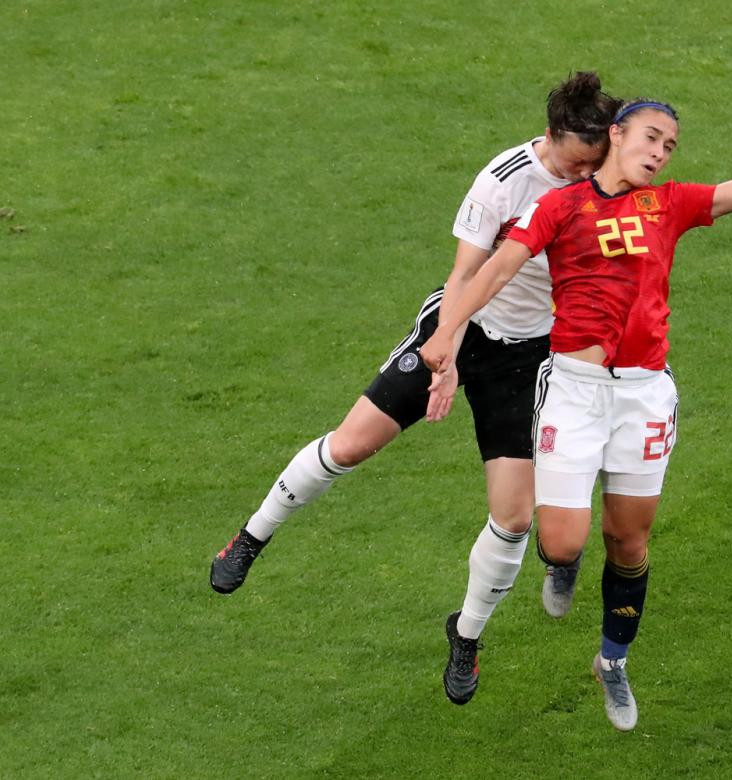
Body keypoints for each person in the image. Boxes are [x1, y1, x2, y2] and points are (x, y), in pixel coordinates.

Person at [420, 98, 732, 730]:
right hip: (575, 392)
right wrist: (447, 332)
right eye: (650, 137)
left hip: (642, 396)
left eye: (669, 146)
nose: (660, 152)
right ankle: (561, 563)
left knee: (629, 540)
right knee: (560, 540)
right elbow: (497, 268)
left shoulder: (667, 205)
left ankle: (612, 660)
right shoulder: (559, 206)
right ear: (615, 135)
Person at [208, 72, 623, 705]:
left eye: (592, 166)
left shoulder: (611, 179)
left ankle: (467, 635)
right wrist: (447, 355)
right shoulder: (504, 181)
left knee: (513, 517)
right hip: (465, 326)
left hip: (532, 358)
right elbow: (464, 274)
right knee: (349, 446)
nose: (579, 179)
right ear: (550, 137)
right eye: (572, 164)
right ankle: (251, 536)